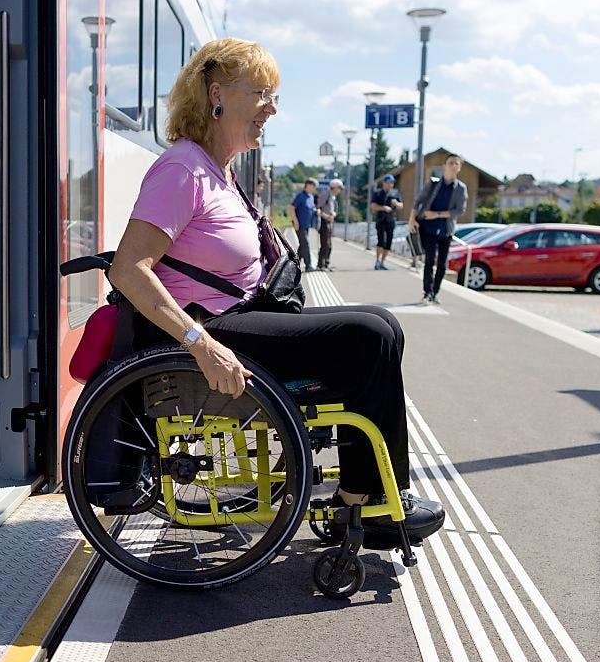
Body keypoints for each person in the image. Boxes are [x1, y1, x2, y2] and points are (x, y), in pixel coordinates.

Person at [107, 37, 444, 546]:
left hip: (240, 318)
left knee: (383, 327)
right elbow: (128, 269)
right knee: (368, 335)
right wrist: (202, 344)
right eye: (262, 93)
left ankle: (367, 497)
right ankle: (370, 503)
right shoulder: (181, 169)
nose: (272, 108)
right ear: (217, 94)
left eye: (275, 96)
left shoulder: (218, 170)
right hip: (212, 331)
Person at [409, 154, 467, 303]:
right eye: (450, 163)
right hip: (429, 229)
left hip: (446, 230)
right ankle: (427, 292)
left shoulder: (461, 188)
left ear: (459, 168)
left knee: (442, 264)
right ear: (444, 166)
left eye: (456, 163)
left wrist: (437, 214)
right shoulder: (434, 184)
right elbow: (418, 201)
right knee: (429, 261)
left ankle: (435, 292)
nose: (453, 165)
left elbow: (459, 210)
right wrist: (411, 219)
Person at [371, 174, 403, 270]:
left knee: (388, 242)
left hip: (391, 220)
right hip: (381, 220)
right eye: (388, 183)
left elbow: (401, 206)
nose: (390, 185)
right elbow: (373, 206)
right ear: (384, 183)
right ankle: (377, 261)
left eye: (392, 183)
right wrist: (383, 208)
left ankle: (382, 262)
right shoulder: (378, 193)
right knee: (381, 241)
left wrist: (396, 203)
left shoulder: (395, 194)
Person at [289, 178, 318, 271]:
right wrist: (295, 221)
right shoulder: (301, 196)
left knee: (302, 246)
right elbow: (291, 208)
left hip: (306, 226)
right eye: (313, 186)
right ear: (307, 186)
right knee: (306, 244)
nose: (314, 188)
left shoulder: (311, 197)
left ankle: (294, 264)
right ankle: (308, 266)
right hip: (300, 225)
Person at [315, 178, 342, 270]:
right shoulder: (325, 194)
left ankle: (326, 263)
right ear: (334, 187)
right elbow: (318, 208)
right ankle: (321, 264)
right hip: (324, 221)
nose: (340, 190)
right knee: (325, 244)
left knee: (329, 244)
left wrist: (333, 214)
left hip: (329, 222)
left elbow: (334, 210)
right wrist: (326, 216)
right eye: (339, 188)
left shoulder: (333, 196)